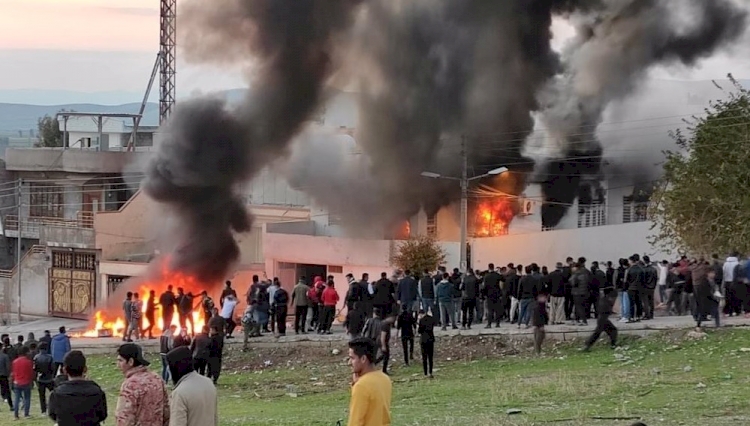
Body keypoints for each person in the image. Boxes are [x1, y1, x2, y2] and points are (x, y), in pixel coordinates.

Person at [47, 350, 108, 426]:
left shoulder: (57, 394)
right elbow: (102, 415)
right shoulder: (97, 392)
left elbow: (53, 415)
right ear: (85, 369)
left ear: (64, 370)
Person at [115, 343, 170, 426]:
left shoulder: (130, 385)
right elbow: (166, 411)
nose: (117, 365)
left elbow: (124, 418)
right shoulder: (156, 378)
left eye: (120, 360)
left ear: (130, 362)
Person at [166, 346, 218, 426]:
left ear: (175, 367)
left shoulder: (179, 393)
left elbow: (177, 423)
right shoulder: (208, 383)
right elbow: (214, 418)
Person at [347, 337, 392, 426]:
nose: (349, 362)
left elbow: (355, 421)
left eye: (352, 358)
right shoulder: (385, 379)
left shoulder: (361, 386)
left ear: (363, 358)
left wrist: (357, 385)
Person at [33, 341, 56, 415]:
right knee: (54, 393)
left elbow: (34, 368)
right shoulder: (50, 357)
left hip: (40, 379)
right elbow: (53, 368)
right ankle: (54, 407)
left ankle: (43, 411)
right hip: (49, 378)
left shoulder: (36, 357)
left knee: (42, 396)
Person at [11, 345, 33, 419]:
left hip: (17, 382)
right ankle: (26, 414)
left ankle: (16, 415)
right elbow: (30, 373)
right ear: (26, 353)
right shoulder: (29, 362)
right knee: (27, 398)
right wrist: (31, 381)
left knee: (16, 399)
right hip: (26, 382)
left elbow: (13, 372)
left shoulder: (15, 361)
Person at [417, 309, 437, 377]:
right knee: (430, 357)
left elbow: (419, 331)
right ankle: (430, 372)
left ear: (420, 314)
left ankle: (425, 373)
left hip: (424, 340)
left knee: (424, 357)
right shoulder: (431, 319)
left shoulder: (421, 320)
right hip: (431, 339)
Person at [483, 264, 503, 328]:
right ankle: (497, 323)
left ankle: (489, 324)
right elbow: (503, 279)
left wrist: (484, 295)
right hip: (497, 294)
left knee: (490, 310)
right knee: (497, 310)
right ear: (493, 267)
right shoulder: (497, 275)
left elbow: (485, 287)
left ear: (488, 268)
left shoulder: (486, 276)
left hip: (489, 295)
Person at [0, 345, 11, 411]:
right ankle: (11, 406)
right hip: (3, 375)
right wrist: (8, 374)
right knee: (7, 391)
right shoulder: (5, 356)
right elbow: (8, 367)